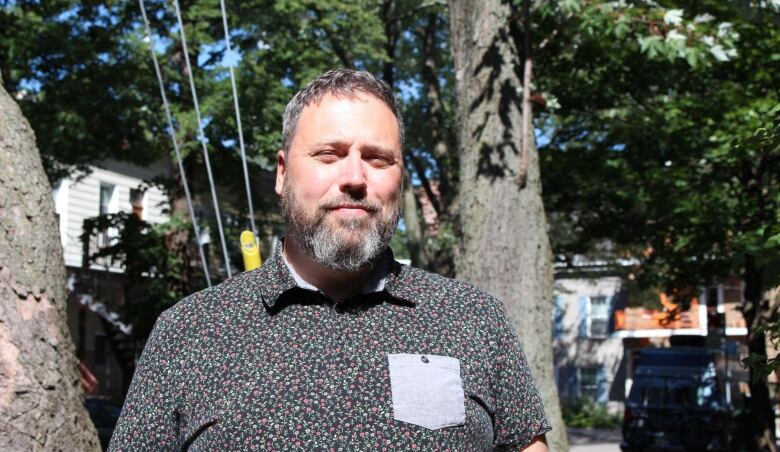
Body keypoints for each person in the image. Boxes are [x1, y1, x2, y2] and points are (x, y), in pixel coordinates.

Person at [109, 68, 551, 451]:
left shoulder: (474, 319)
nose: (355, 178)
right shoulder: (189, 331)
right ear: (283, 173)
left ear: (399, 179)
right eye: (329, 155)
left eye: (377, 159)